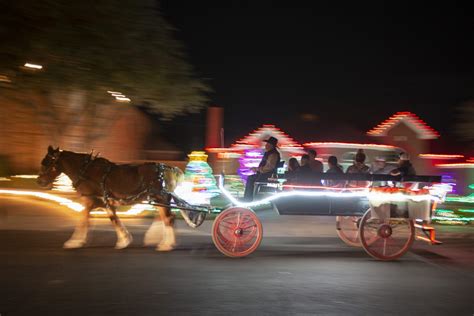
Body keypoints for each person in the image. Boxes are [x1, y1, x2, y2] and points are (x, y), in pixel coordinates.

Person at [243, 136, 281, 201]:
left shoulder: (273, 154)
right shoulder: (270, 153)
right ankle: (248, 198)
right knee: (251, 177)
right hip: (265, 174)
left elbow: (269, 167)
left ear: (271, 145)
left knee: (251, 178)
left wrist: (257, 169)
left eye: (268, 144)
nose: (266, 146)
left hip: (267, 175)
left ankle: (248, 199)